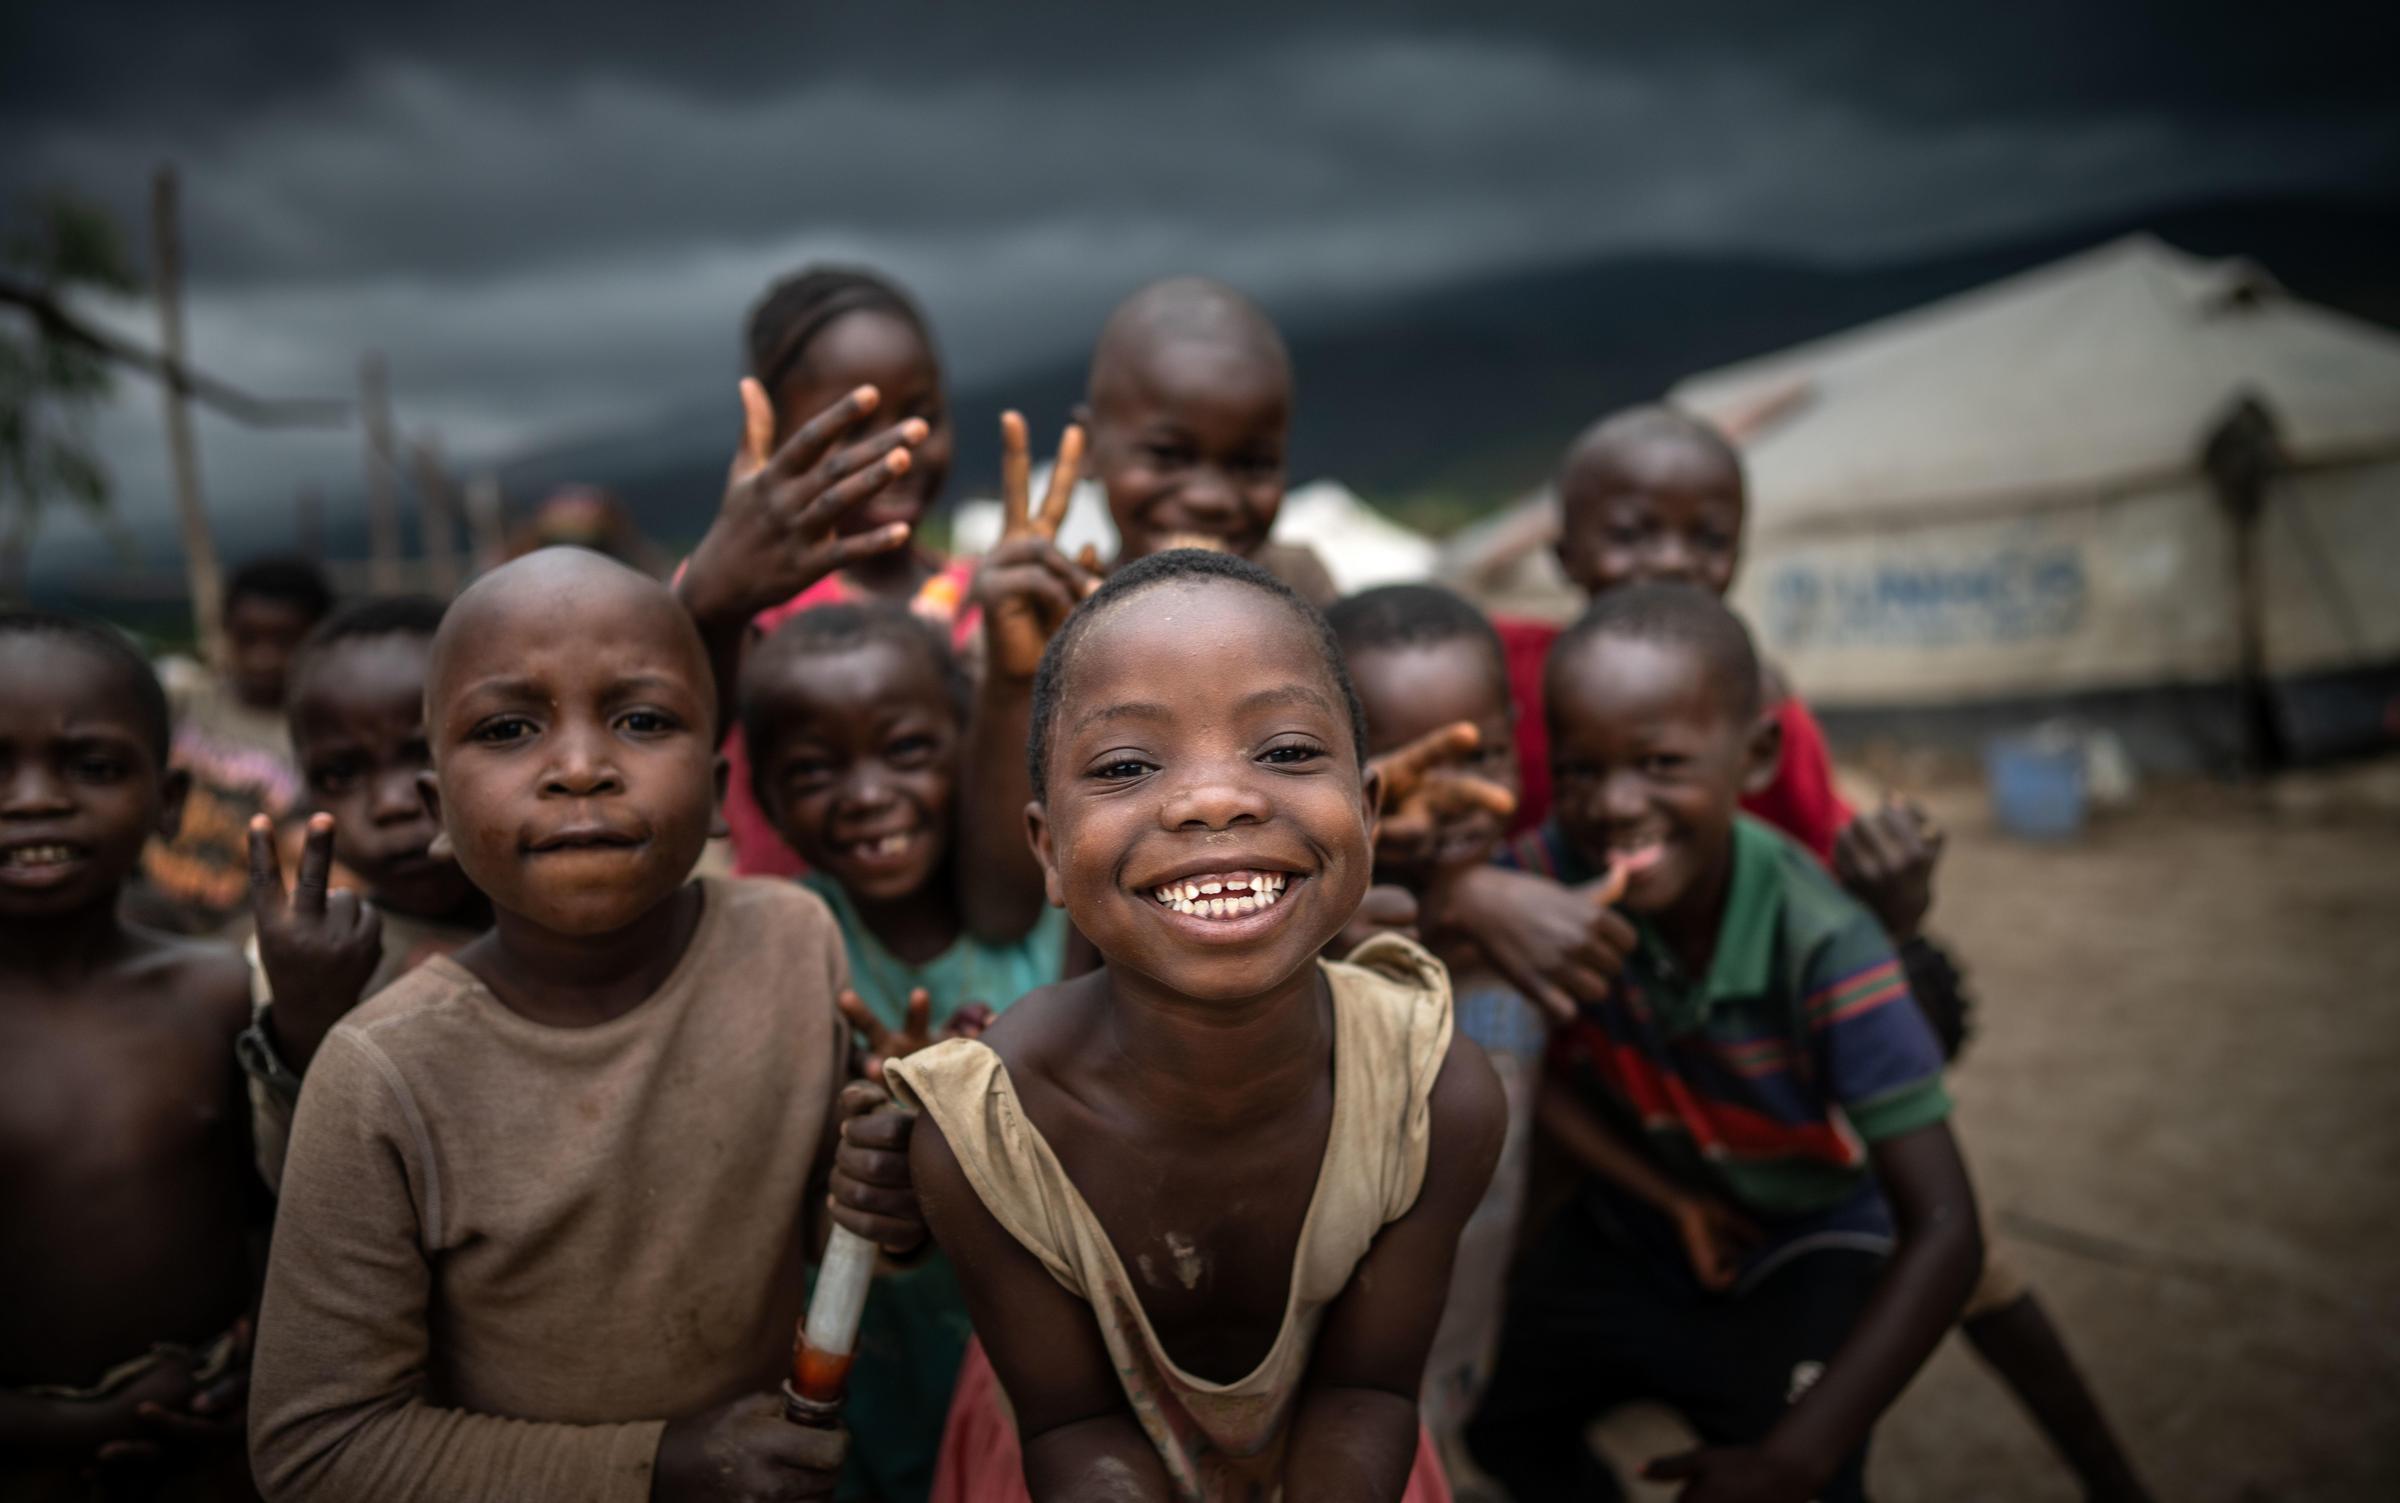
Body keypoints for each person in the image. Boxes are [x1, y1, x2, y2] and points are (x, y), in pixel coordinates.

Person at [1468, 406, 2151, 1499]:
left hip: (1776, 1055)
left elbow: (1831, 898)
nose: (1674, 564)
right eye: (1636, 533)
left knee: (1945, 1256)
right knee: (1525, 1334)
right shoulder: (1512, 675)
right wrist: (1473, 886)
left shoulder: (1777, 779)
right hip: (1627, 1044)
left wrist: (1894, 914)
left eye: (1707, 538)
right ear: (1566, 553)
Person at [245, 548, 927, 1502]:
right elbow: (317, 1449)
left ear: (719, 785)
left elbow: (829, 1224)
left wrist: (893, 1182)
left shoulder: (790, 941)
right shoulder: (381, 1072)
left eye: (642, 719)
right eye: (509, 726)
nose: (580, 768)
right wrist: (665, 1464)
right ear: (440, 809)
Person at [891, 549, 1505, 1502]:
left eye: (1288, 751)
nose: (1218, 798)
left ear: (1369, 813)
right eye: (1128, 764)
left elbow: (1368, 1389)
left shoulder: (1433, 1097)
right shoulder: (984, 1136)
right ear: (1049, 849)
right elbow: (1073, 1424)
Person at [1464, 584, 1984, 1503]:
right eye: (1582, 770)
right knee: (1500, 1422)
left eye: (1660, 763)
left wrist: (1798, 1457)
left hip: (1808, 1232)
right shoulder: (1551, 874)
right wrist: (1466, 896)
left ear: (1755, 757)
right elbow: (1473, 1016)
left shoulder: (1822, 942)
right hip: (1652, 1216)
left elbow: (1946, 1227)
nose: (1616, 805)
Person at [739, 597, 1069, 1503]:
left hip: (1035, 1372)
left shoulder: (1052, 923)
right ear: (765, 796)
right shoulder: (785, 945)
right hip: (869, 1351)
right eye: (813, 769)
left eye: (909, 751)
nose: (868, 793)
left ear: (972, 751)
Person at [0, 610, 264, 1500]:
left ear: (171, 801)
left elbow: (287, 1217)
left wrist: (253, 1373)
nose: (34, 798)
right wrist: (67, 1426)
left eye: (93, 766)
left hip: (220, 1446)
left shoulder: (219, 991)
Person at [1324, 585, 1539, 1475]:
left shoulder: (1543, 905)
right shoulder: (1308, 935)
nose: (1447, 800)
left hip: (1458, 1351)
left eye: (1480, 753)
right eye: (1406, 764)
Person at [703, 266, 970, 878]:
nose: (899, 449)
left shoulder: (983, 597)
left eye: (922, 414)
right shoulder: (742, 599)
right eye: (853, 425)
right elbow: (680, 745)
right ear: (769, 428)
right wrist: (708, 608)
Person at [235, 597, 491, 1191]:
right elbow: (292, 1187)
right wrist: (304, 1016)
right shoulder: (296, 961)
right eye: (342, 774)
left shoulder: (583, 921)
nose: (391, 804)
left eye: (422, 754)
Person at [1079, 277, 1340, 606]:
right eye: (1168, 454)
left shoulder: (1301, 592)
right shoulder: (1050, 615)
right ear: (1086, 447)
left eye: (1252, 464)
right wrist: (1014, 658)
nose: (1209, 499)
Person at [134, 556, 333, 934]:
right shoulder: (186, 703)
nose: (264, 657)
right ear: (225, 631)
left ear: (317, 639)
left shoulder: (317, 733)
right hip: (155, 899)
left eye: (284, 641)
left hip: (242, 923)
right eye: (248, 638)